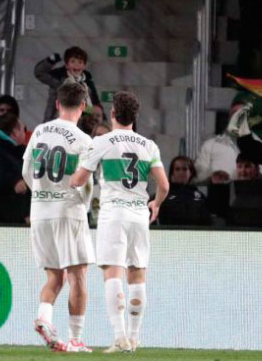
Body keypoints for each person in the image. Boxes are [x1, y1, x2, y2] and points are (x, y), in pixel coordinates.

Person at [70, 90, 169, 353]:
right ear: (135, 117)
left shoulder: (102, 142)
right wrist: (156, 203)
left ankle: (119, 336)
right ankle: (134, 338)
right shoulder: (149, 145)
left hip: (113, 213)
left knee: (113, 272)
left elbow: (80, 179)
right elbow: (164, 185)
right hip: (139, 214)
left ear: (113, 113)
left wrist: (71, 181)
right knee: (137, 273)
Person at [21, 82, 94, 353]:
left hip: (40, 211)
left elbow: (26, 171)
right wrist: (81, 205)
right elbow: (86, 184)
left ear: (57, 103)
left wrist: (42, 194)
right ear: (83, 106)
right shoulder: (84, 140)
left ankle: (44, 318)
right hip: (68, 211)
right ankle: (76, 340)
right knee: (78, 275)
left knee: (55, 276)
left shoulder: (39, 131)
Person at [34, 47, 102, 123]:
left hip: (80, 124)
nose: (76, 65)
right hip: (55, 121)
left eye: (80, 62)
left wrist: (98, 118)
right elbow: (39, 73)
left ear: (84, 66)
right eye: (73, 61)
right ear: (66, 65)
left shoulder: (87, 83)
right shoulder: (58, 79)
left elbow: (95, 104)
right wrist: (51, 60)